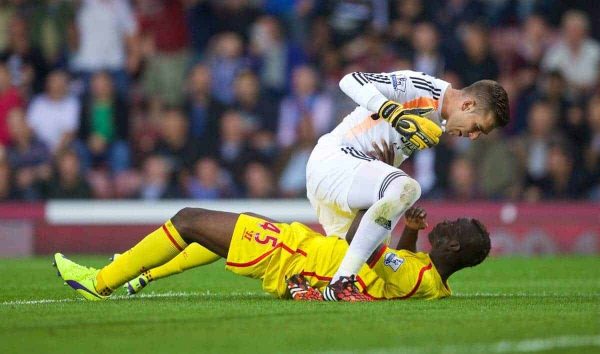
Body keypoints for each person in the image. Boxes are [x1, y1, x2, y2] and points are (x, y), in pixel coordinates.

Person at [306, 68, 508, 300]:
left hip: (349, 181)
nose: (473, 136)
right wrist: (394, 113)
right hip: (334, 160)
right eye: (478, 127)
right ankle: (340, 284)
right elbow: (349, 80)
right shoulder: (422, 88)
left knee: (364, 265)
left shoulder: (437, 125)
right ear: (468, 105)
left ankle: (304, 284)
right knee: (408, 188)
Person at [53, 204, 491, 302]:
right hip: (303, 249)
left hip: (294, 259)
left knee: (188, 221)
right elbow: (391, 263)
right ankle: (138, 275)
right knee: (218, 229)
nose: (448, 223)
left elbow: (366, 240)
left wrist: (375, 197)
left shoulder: (418, 280)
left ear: (453, 246)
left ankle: (100, 283)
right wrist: (409, 232)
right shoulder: (428, 279)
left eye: (456, 228)